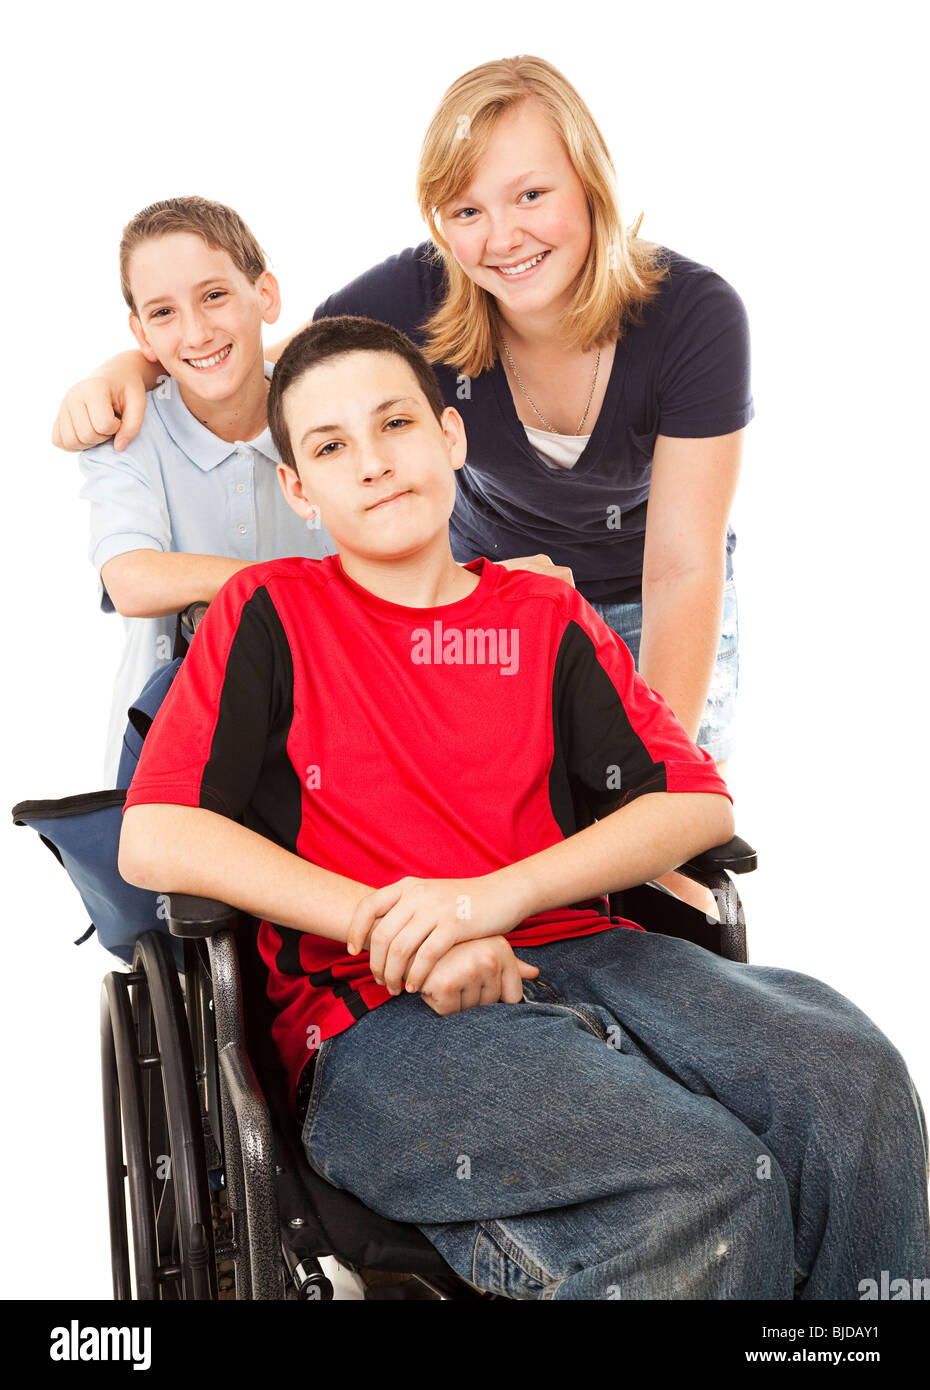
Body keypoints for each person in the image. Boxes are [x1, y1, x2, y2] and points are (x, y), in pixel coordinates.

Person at [118, 315, 929, 1300]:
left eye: (396, 424)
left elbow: (695, 805)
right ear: (301, 490)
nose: (372, 462)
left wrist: (487, 901)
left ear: (451, 439)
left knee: (855, 1083)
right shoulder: (272, 613)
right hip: (374, 1016)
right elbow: (157, 834)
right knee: (706, 1182)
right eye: (331, 447)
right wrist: (406, 933)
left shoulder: (546, 616)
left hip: (589, 950)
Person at [55, 54, 746, 917]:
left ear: (591, 182)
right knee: (477, 852)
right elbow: (270, 369)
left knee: (656, 883)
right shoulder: (415, 293)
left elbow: (682, 566)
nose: (502, 237)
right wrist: (134, 364)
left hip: (654, 595)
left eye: (531, 195)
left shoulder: (695, 317)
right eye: (467, 211)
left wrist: (647, 794)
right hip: (494, 601)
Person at [78, 194, 558, 785]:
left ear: (266, 296)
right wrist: (307, 590)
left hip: (339, 731)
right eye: (163, 313)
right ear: (141, 333)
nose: (197, 330)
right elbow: (132, 579)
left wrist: (499, 589)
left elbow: (401, 531)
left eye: (215, 295)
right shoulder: (127, 431)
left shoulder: (325, 409)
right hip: (176, 747)